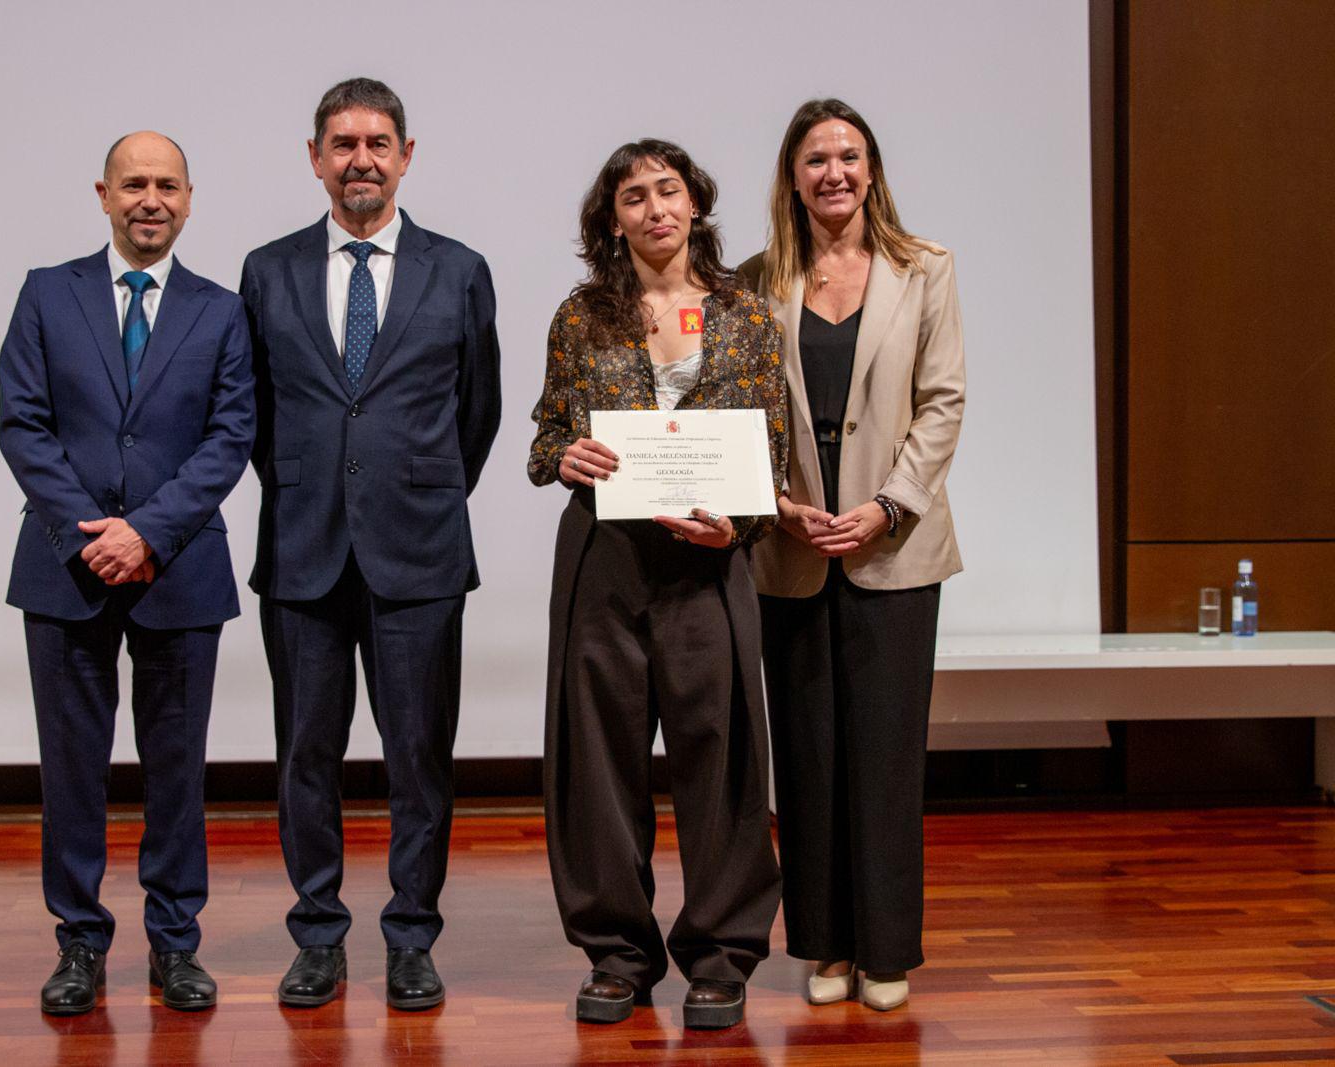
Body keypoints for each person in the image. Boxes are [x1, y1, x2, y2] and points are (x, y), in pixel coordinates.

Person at [238, 77, 501, 1012]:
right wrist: (316, 491)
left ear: (407, 155)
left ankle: (410, 938)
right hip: (303, 551)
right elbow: (256, 415)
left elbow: (479, 412)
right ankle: (317, 934)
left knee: (419, 756)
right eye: (342, 143)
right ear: (315, 157)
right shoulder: (266, 271)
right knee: (305, 754)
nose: (361, 159)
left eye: (377, 142)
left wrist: (418, 491)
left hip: (420, 554)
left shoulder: (458, 268)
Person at [528, 139, 786, 1030]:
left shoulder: (748, 316)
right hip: (606, 559)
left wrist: (739, 524)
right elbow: (544, 436)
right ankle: (617, 953)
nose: (654, 208)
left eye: (668, 190)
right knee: (599, 757)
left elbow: (772, 449)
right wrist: (563, 455)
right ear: (613, 220)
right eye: (632, 197)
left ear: (695, 205)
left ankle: (720, 953)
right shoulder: (582, 316)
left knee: (721, 757)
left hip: (710, 561)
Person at [0, 131, 254, 1015]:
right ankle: (78, 942)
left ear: (190, 199)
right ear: (102, 195)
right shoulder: (46, 294)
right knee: (72, 769)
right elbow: (23, 426)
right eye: (133, 184)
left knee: (177, 770)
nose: (151, 199)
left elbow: (231, 437)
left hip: (177, 568)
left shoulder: (222, 311)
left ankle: (175, 944)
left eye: (168, 185)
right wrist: (91, 537)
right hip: (65, 570)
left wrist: (145, 533)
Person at [738, 98, 965, 1012]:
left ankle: (886, 953)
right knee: (808, 752)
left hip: (895, 548)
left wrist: (883, 506)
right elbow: (738, 412)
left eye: (850, 155)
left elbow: (943, 401)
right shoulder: (756, 281)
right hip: (792, 548)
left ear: (871, 171)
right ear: (791, 177)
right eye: (816, 158)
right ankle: (825, 947)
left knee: (885, 754)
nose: (834, 171)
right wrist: (777, 505)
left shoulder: (926, 270)